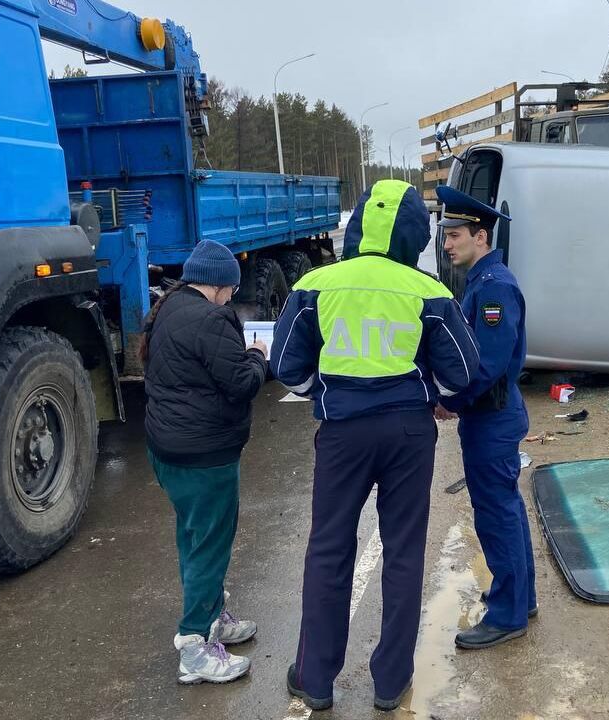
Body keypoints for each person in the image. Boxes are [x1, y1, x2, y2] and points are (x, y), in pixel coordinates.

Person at [271, 179, 479, 712]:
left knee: (328, 550)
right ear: (414, 234)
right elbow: (463, 372)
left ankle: (315, 678)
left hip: (342, 432)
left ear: (359, 225)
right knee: (404, 553)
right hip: (409, 432)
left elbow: (286, 367)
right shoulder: (428, 290)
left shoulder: (317, 283)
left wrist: (322, 391)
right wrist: (434, 394)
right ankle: (389, 682)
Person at [142, 240, 269, 684]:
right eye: (231, 287)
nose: (232, 295)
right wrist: (257, 356)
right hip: (204, 457)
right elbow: (240, 384)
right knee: (210, 547)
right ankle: (194, 646)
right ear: (220, 285)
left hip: (169, 451)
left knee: (193, 538)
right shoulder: (212, 319)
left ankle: (212, 614)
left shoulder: (170, 307)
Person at [434, 186, 537, 650]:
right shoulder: (483, 280)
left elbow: (486, 364)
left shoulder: (493, 286)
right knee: (507, 512)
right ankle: (520, 598)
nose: (447, 244)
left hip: (491, 417)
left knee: (496, 515)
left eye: (454, 235)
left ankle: (507, 615)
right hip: (493, 415)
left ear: (480, 235)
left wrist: (449, 400)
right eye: (445, 236)